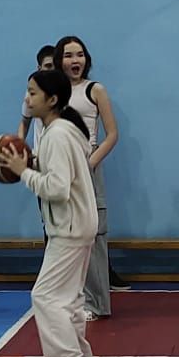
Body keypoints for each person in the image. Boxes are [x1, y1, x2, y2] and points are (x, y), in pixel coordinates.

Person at [0, 68, 100, 357]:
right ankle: (80, 356)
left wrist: (23, 172)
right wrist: (32, 163)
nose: (27, 98)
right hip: (79, 224)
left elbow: (57, 188)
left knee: (44, 295)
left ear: (52, 99)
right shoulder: (65, 130)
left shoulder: (56, 134)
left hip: (69, 228)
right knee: (68, 298)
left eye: (33, 93)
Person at [54, 35, 118, 320]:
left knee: (93, 234)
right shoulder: (53, 93)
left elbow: (112, 134)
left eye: (79, 54)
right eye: (68, 55)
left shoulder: (95, 90)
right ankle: (72, 299)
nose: (75, 60)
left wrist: (88, 163)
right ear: (60, 60)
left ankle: (96, 303)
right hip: (60, 168)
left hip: (87, 166)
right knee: (66, 235)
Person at [17, 43, 56, 147]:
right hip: (40, 154)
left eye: (56, 66)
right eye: (48, 66)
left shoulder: (69, 90)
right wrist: (19, 146)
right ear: (39, 68)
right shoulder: (32, 92)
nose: (53, 70)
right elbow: (25, 123)